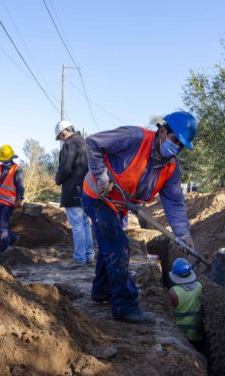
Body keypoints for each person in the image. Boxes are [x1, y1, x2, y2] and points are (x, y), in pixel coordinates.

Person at [81, 110, 198, 324]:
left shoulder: (171, 168)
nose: (176, 149)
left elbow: (174, 202)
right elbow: (93, 142)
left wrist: (182, 233)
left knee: (109, 245)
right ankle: (124, 305)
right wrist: (101, 176)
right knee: (118, 246)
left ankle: (100, 291)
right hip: (96, 197)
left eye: (181, 147)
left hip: (119, 206)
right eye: (175, 141)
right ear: (162, 131)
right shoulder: (133, 138)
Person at [54, 120, 95, 266]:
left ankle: (79, 259)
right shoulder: (86, 143)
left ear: (63, 133)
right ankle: (89, 256)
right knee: (85, 224)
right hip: (87, 191)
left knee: (78, 226)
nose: (61, 140)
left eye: (60, 137)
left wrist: (58, 180)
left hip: (73, 191)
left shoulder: (69, 145)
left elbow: (65, 168)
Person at [168, 258, 204, 350]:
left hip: (180, 336)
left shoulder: (173, 292)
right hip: (197, 334)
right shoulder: (200, 287)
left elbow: (168, 313)